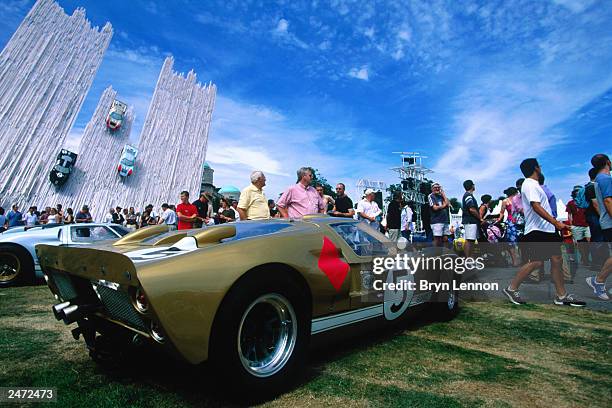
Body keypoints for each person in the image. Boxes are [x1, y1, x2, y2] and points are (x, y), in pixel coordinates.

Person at [502, 158, 584, 306]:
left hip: (546, 229)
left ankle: (561, 295)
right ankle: (511, 288)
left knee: (557, 260)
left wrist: (554, 225)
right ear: (536, 168)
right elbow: (536, 206)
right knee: (536, 262)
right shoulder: (529, 184)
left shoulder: (534, 185)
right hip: (537, 230)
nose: (540, 167)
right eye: (539, 165)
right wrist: (556, 223)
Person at [586, 153, 612, 300]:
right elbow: (608, 201)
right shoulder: (605, 179)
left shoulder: (599, 179)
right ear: (608, 162)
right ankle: (598, 280)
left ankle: (599, 281)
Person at [566, 186, 591, 266]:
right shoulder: (570, 203)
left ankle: (585, 257)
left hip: (586, 224)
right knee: (580, 244)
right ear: (573, 193)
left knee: (588, 242)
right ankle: (584, 259)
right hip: (576, 225)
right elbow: (569, 215)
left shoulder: (585, 201)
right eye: (576, 191)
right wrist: (571, 225)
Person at [498, 187, 522, 266]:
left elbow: (501, 213)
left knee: (512, 243)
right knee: (514, 242)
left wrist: (498, 220)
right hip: (517, 222)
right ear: (515, 192)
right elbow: (502, 212)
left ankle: (516, 260)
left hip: (511, 222)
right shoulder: (518, 199)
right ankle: (517, 261)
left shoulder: (505, 201)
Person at [461, 180, 484, 258]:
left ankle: (470, 257)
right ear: (472, 186)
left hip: (471, 221)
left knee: (472, 240)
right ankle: (468, 259)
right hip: (470, 221)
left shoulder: (468, 195)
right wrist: (480, 218)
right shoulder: (468, 196)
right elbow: (472, 209)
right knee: (469, 240)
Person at [428, 183, 450, 247]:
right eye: (435, 188)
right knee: (437, 239)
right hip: (437, 221)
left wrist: (443, 194)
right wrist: (444, 205)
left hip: (444, 220)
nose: (437, 189)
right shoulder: (431, 196)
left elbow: (448, 204)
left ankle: (444, 253)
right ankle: (436, 254)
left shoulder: (441, 196)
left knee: (445, 238)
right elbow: (435, 208)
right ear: (432, 189)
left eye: (438, 187)